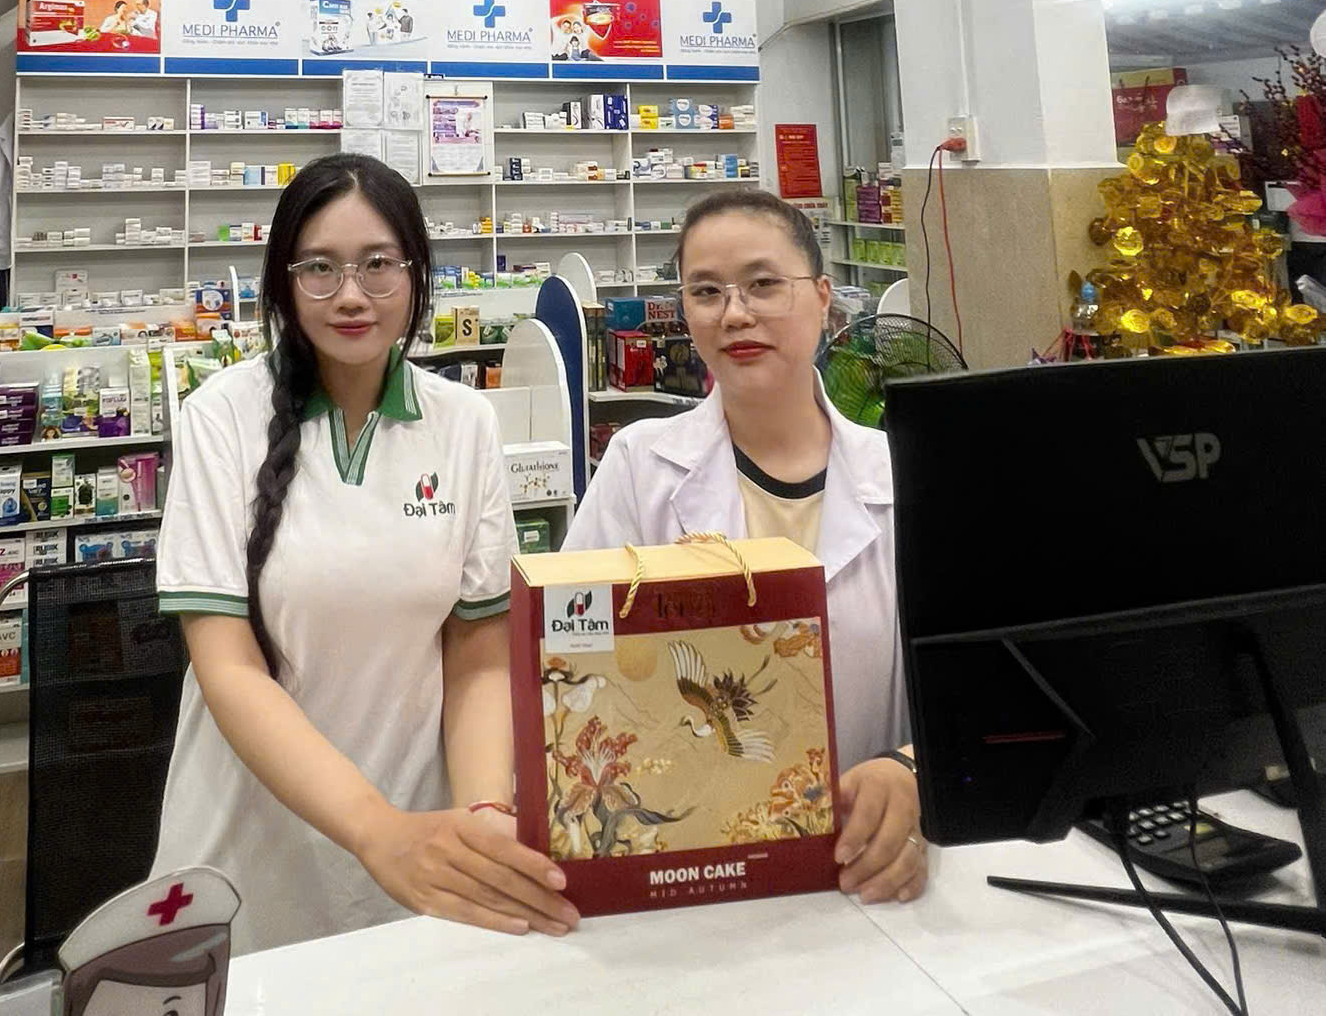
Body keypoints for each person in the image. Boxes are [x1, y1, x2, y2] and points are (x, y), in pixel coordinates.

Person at [155, 153, 577, 955]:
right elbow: (228, 668)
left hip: (425, 842)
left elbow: (477, 654)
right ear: (283, 282)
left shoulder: (463, 422)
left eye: (378, 264)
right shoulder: (220, 418)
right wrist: (376, 830)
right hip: (253, 849)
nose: (350, 294)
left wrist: (483, 815)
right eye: (319, 267)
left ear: (415, 274)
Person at [564, 187, 926, 905]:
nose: (734, 314)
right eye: (706, 291)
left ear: (822, 297)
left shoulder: (904, 476)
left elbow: (970, 691)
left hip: (867, 869)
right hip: (683, 866)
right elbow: (572, 659)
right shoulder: (639, 466)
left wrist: (911, 772)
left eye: (763, 284)